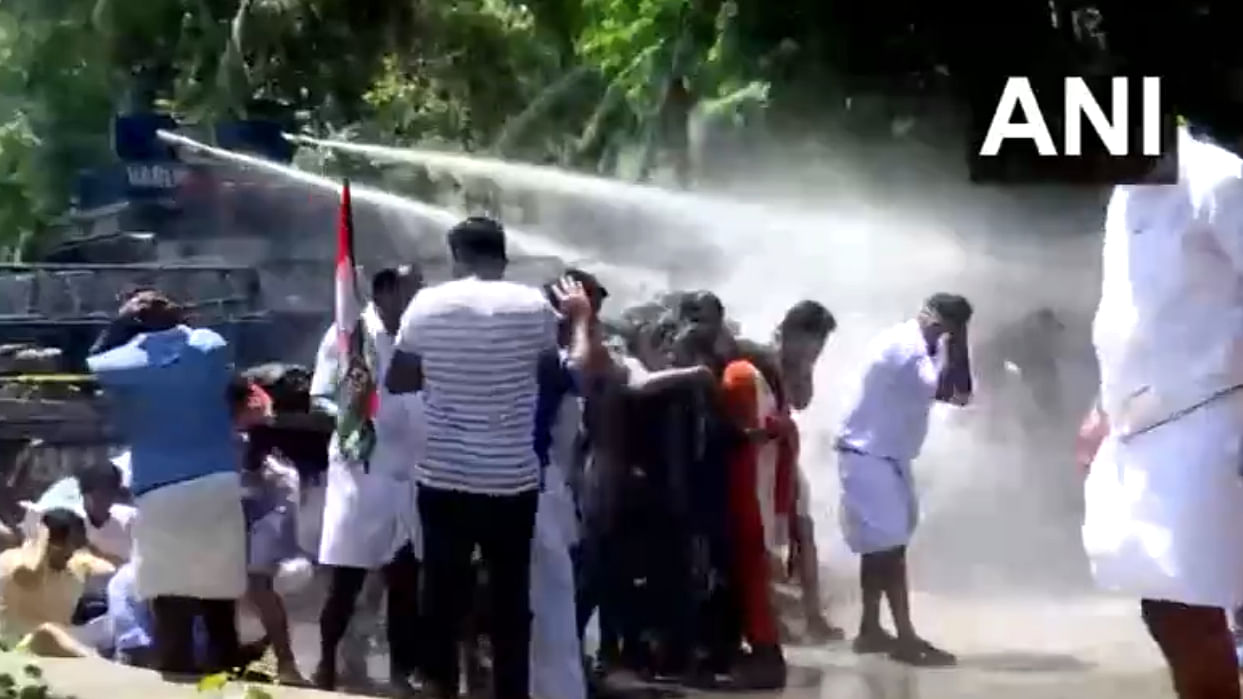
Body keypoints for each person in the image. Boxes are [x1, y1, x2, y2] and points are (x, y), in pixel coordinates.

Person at [385, 216, 591, 699]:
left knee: (441, 599)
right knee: (509, 603)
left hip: (444, 477)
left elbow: (398, 379)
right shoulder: (534, 307)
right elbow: (556, 373)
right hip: (511, 482)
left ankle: (439, 688)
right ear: (503, 256)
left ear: (457, 255)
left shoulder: (428, 304)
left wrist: (448, 377)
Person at [1076, 125, 1243, 699]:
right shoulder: (1126, 194)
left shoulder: (1220, 182)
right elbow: (1127, 309)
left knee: (1191, 601)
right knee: (1164, 603)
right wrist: (1101, 404)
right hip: (1142, 427)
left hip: (1215, 415)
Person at [86, 290, 246, 676]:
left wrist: (124, 320)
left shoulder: (126, 361)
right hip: (217, 483)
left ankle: (175, 682)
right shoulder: (209, 344)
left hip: (162, 493)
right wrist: (176, 317)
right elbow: (197, 342)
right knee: (219, 602)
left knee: (170, 606)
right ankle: (228, 680)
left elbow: (93, 361)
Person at [836, 293, 972, 667]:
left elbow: (964, 395)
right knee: (891, 547)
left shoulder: (926, 344)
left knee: (882, 545)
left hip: (885, 455)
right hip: (868, 454)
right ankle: (906, 638)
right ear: (929, 318)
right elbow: (946, 391)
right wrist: (951, 348)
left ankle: (870, 629)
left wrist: (960, 346)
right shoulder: (909, 348)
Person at [311, 265, 425, 695]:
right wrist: (352, 418)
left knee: (405, 583)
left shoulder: (420, 335)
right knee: (346, 581)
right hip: (362, 470)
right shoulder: (350, 335)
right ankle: (325, 665)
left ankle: (400, 675)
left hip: (411, 471)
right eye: (414, 287)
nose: (421, 293)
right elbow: (320, 397)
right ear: (386, 291)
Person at [772, 301, 842, 642]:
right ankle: (772, 617)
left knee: (805, 530)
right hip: (759, 450)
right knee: (765, 538)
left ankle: (814, 617)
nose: (820, 349)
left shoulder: (797, 361)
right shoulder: (767, 353)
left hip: (783, 450)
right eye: (818, 340)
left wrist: (806, 367)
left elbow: (801, 402)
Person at [0, 508, 115, 656]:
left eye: (77, 544)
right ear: (51, 542)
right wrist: (40, 539)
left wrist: (88, 548)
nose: (72, 550)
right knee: (48, 631)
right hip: (13, 649)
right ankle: (95, 661)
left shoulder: (75, 566)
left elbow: (110, 570)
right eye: (70, 543)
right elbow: (30, 575)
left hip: (62, 648)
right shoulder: (14, 561)